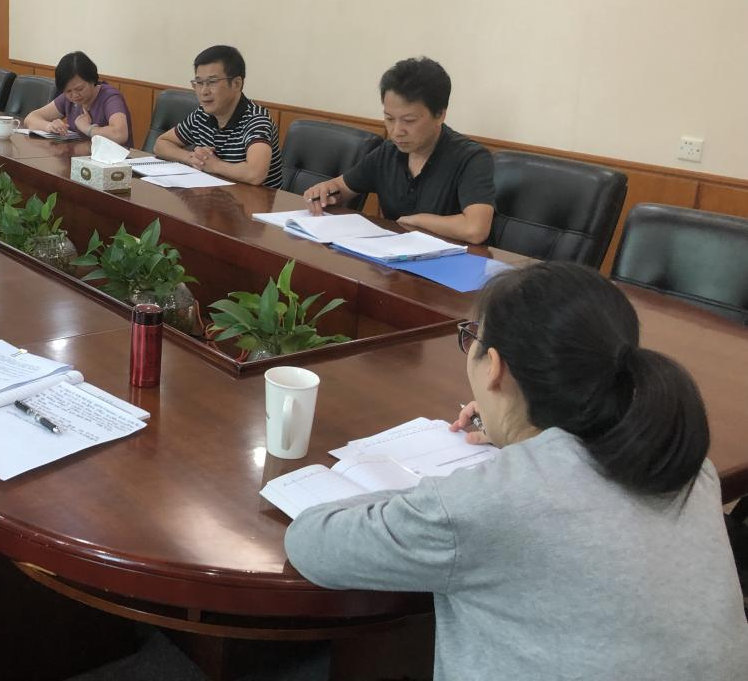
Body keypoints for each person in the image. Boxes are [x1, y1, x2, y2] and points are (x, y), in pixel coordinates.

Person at [284, 262, 748, 680]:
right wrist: (519, 435)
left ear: (495, 368)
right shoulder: (683, 461)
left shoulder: (485, 504)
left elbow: (312, 543)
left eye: (471, 338)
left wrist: (447, 492)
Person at [302, 57, 494, 243]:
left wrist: (418, 221)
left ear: (440, 115)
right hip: (392, 256)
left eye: (409, 121)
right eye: (389, 119)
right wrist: (325, 191)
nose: (396, 131)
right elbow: (342, 188)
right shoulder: (388, 152)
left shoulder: (471, 158)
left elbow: (475, 229)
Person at [153, 45, 283, 188]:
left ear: (236, 84)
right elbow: (161, 144)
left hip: (255, 201)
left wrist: (215, 165)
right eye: (199, 83)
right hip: (214, 196)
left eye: (212, 82)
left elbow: (255, 174)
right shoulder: (201, 114)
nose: (204, 91)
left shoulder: (256, 120)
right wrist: (192, 158)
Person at [22, 51, 133, 144]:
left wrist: (87, 128)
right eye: (68, 91)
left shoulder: (110, 97)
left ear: (92, 79)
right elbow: (30, 119)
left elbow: (120, 134)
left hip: (112, 161)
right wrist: (50, 126)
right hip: (80, 157)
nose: (74, 95)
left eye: (79, 89)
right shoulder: (67, 98)